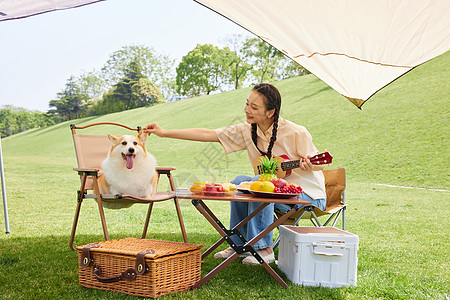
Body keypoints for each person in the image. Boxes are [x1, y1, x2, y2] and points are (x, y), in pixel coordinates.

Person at [144, 83, 326, 265]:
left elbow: (320, 165)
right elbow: (208, 134)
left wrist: (309, 163)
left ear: (270, 112)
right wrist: (164, 132)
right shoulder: (247, 130)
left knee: (257, 183)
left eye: (254, 107)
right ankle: (238, 244)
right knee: (240, 181)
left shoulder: (296, 132)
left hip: (307, 195)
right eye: (247, 104)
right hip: (276, 195)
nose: (247, 110)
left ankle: (265, 248)